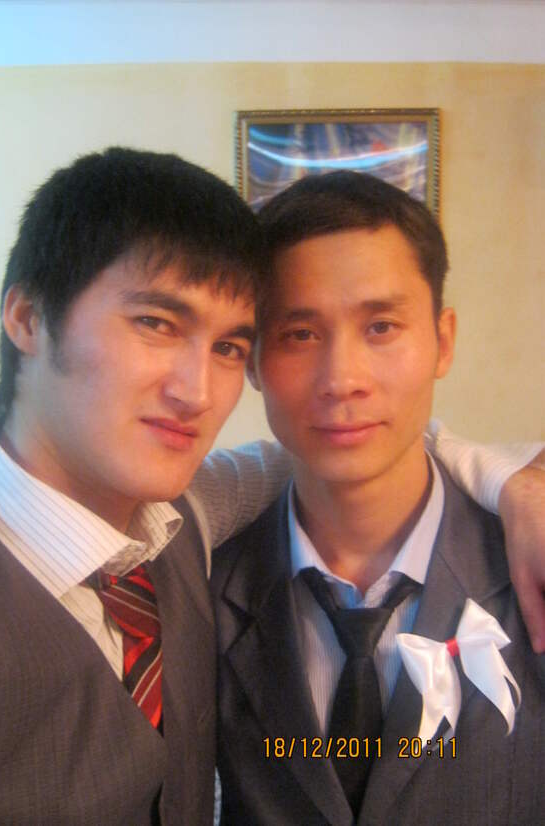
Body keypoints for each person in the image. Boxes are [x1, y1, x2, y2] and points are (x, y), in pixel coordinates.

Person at [0, 148, 542, 826]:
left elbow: (340, 445)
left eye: (226, 346)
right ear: (27, 316)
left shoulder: (178, 513)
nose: (196, 393)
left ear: (443, 341)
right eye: (156, 323)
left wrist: (510, 475)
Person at [211, 171, 545, 825]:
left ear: (443, 341)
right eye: (300, 334)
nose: (343, 380)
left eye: (382, 326)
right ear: (252, 360)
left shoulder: (526, 563)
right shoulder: (203, 585)